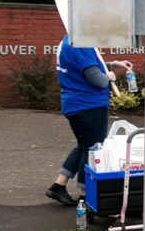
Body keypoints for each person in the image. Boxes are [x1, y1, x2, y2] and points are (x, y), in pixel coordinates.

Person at [46, 35, 133, 206]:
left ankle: (59, 185)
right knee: (92, 150)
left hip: (75, 104)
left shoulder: (68, 41)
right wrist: (110, 77)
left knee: (83, 146)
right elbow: (98, 80)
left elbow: (86, 66)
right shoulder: (81, 45)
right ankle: (85, 196)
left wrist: (113, 64)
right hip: (88, 105)